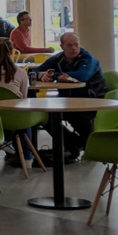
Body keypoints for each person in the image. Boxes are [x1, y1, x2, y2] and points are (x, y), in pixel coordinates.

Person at [33, 32, 106, 163]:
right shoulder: (58, 59)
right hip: (67, 102)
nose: (73, 48)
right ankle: (74, 143)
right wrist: (42, 75)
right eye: (69, 45)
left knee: (78, 116)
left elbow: (82, 76)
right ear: (62, 46)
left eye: (76, 45)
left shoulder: (88, 59)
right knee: (44, 116)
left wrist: (54, 75)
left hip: (91, 101)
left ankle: (83, 144)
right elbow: (35, 71)